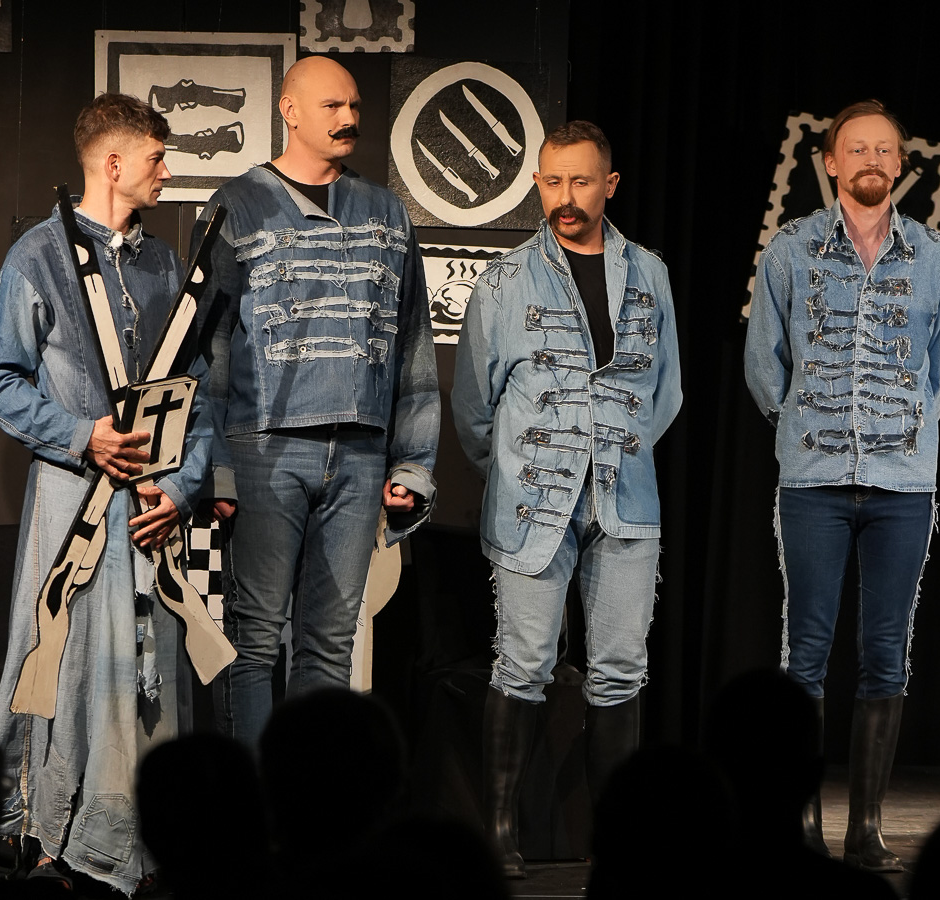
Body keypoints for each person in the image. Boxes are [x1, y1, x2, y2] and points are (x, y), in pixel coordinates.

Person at [0, 92, 214, 895]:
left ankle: (138, 843)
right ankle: (53, 838)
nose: (166, 172)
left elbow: (196, 391)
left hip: (149, 510)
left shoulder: (163, 265)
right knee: (68, 657)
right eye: (156, 157)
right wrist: (84, 436)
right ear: (113, 164)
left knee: (150, 669)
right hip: (72, 499)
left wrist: (181, 487)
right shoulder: (37, 257)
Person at [451, 120, 682, 877]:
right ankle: (500, 831)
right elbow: (474, 406)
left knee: (620, 667)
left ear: (609, 184)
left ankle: (616, 839)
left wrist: (616, 444)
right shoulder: (505, 281)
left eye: (580, 181)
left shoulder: (649, 273)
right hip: (532, 500)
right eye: (552, 181)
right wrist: (516, 470)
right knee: (523, 662)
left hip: (623, 497)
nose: (565, 197)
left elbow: (665, 392)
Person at [192, 56, 439, 747]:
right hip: (265, 447)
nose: (349, 118)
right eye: (332, 106)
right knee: (254, 638)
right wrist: (214, 465)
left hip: (360, 454)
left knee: (330, 645)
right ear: (289, 110)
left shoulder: (386, 212)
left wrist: (413, 463)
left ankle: (307, 796)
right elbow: (205, 350)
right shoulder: (236, 206)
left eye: (354, 106)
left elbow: (413, 344)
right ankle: (251, 797)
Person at [744, 99, 940, 872]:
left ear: (900, 163)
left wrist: (904, 433)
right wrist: (806, 422)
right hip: (814, 480)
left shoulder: (935, 257)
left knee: (886, 653)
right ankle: (799, 825)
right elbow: (763, 364)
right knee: (804, 653)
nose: (872, 159)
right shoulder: (791, 250)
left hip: (903, 485)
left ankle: (865, 828)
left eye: (884, 149)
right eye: (857, 148)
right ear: (831, 162)